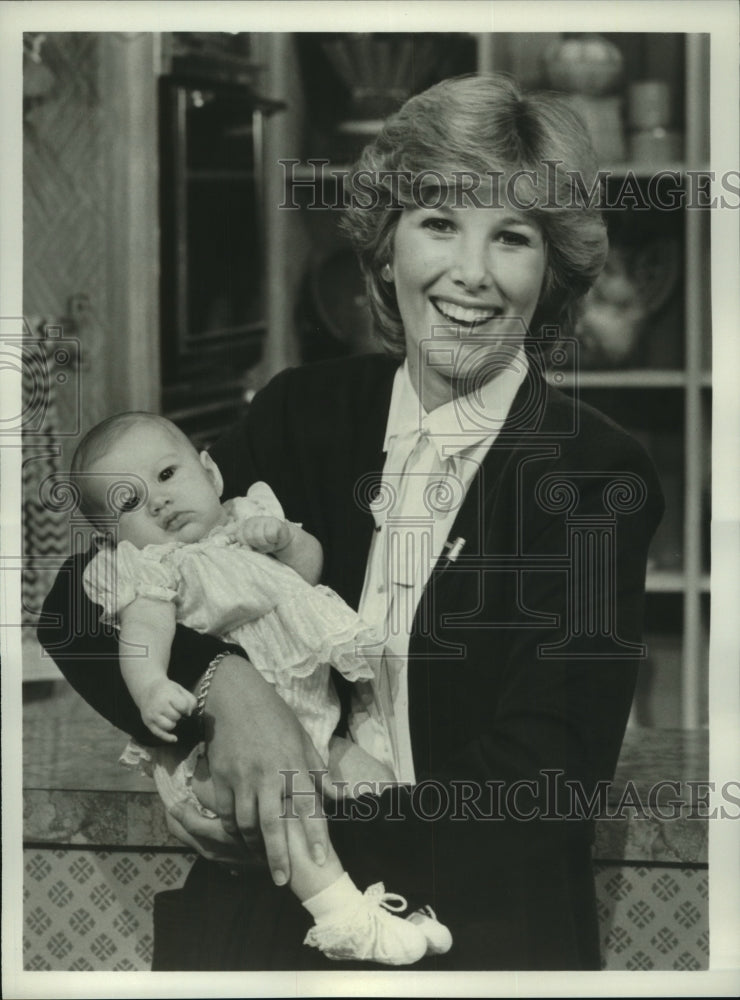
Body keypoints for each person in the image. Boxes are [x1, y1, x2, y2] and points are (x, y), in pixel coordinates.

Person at [39, 73, 664, 970]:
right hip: (269, 944)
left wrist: (285, 816)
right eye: (439, 223)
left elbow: (546, 786)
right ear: (385, 249)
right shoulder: (303, 414)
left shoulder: (597, 474)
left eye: (512, 237)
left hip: (478, 945)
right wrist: (230, 692)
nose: (470, 274)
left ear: (552, 271)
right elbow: (76, 603)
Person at [70, 410, 452, 965]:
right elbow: (142, 634)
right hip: (224, 748)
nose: (156, 501)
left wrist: (285, 539)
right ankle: (343, 918)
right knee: (286, 811)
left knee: (381, 786)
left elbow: (308, 571)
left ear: (210, 473)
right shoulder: (153, 568)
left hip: (312, 727)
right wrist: (152, 685)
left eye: (168, 475)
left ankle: (401, 903)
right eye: (128, 502)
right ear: (110, 534)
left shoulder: (246, 520)